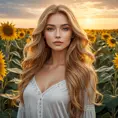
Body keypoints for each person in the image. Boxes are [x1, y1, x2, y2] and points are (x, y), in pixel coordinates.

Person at [16, 4, 103, 118]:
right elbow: (22, 113)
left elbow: (88, 115)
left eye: (65, 28)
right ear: (43, 34)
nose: (57, 35)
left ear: (72, 33)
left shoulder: (84, 74)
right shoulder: (31, 68)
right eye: (50, 29)